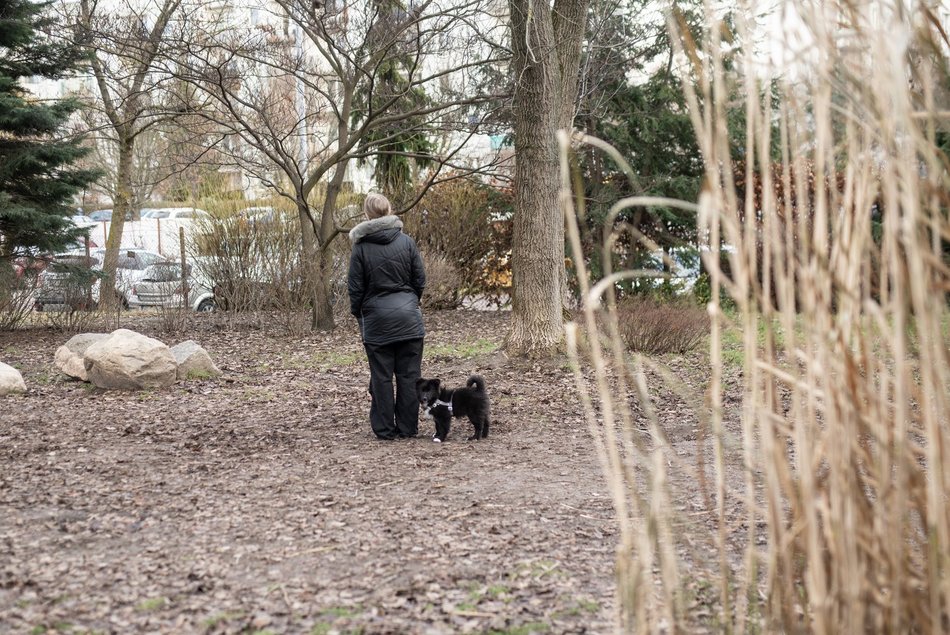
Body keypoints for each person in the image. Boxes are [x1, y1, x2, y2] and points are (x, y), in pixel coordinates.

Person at [348, 193, 426, 440]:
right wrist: (410, 302)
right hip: (409, 320)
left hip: (377, 322)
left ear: (366, 215)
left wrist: (361, 314)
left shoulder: (360, 248)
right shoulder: (407, 242)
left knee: (381, 377)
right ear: (389, 210)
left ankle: (384, 429)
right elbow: (419, 280)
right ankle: (407, 427)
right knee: (409, 375)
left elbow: (355, 289)